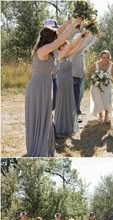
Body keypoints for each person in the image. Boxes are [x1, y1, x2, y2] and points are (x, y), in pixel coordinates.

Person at [25, 17, 82, 157]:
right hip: (38, 88)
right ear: (50, 40)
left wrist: (69, 24)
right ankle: (38, 146)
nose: (56, 40)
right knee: (41, 117)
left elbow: (58, 34)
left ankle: (46, 144)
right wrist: (73, 25)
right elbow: (60, 40)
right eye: (54, 38)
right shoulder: (42, 50)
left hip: (46, 86)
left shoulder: (47, 49)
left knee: (46, 117)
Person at [54, 31, 90, 137]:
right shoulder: (60, 55)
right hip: (61, 82)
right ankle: (60, 127)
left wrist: (83, 38)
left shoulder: (66, 55)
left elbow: (75, 47)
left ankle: (68, 125)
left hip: (67, 82)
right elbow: (72, 46)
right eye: (66, 44)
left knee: (68, 104)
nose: (67, 46)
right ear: (61, 47)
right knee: (62, 104)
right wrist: (81, 36)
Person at [70, 31, 102, 117]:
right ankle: (74, 114)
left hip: (81, 75)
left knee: (80, 94)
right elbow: (86, 44)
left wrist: (95, 37)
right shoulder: (74, 50)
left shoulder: (81, 51)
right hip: (74, 76)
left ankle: (78, 110)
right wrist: (94, 35)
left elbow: (87, 44)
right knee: (75, 96)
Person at [89, 50, 113, 122]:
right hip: (96, 86)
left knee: (107, 101)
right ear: (101, 57)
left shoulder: (112, 65)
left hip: (107, 86)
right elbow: (89, 72)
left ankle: (106, 116)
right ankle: (100, 116)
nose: (105, 59)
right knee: (98, 101)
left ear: (109, 57)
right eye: (103, 57)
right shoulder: (96, 64)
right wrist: (95, 78)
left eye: (107, 57)